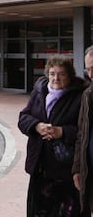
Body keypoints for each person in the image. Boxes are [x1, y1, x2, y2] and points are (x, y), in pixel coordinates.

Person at [18, 54, 88, 217]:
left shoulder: (80, 95)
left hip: (65, 169)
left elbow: (85, 131)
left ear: (69, 75)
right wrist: (36, 126)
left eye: (61, 74)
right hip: (40, 165)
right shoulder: (40, 90)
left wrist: (61, 131)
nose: (55, 78)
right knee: (39, 210)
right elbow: (24, 117)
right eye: (52, 73)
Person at [73, 45, 93, 215]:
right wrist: (77, 168)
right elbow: (81, 135)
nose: (91, 74)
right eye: (88, 69)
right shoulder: (87, 95)